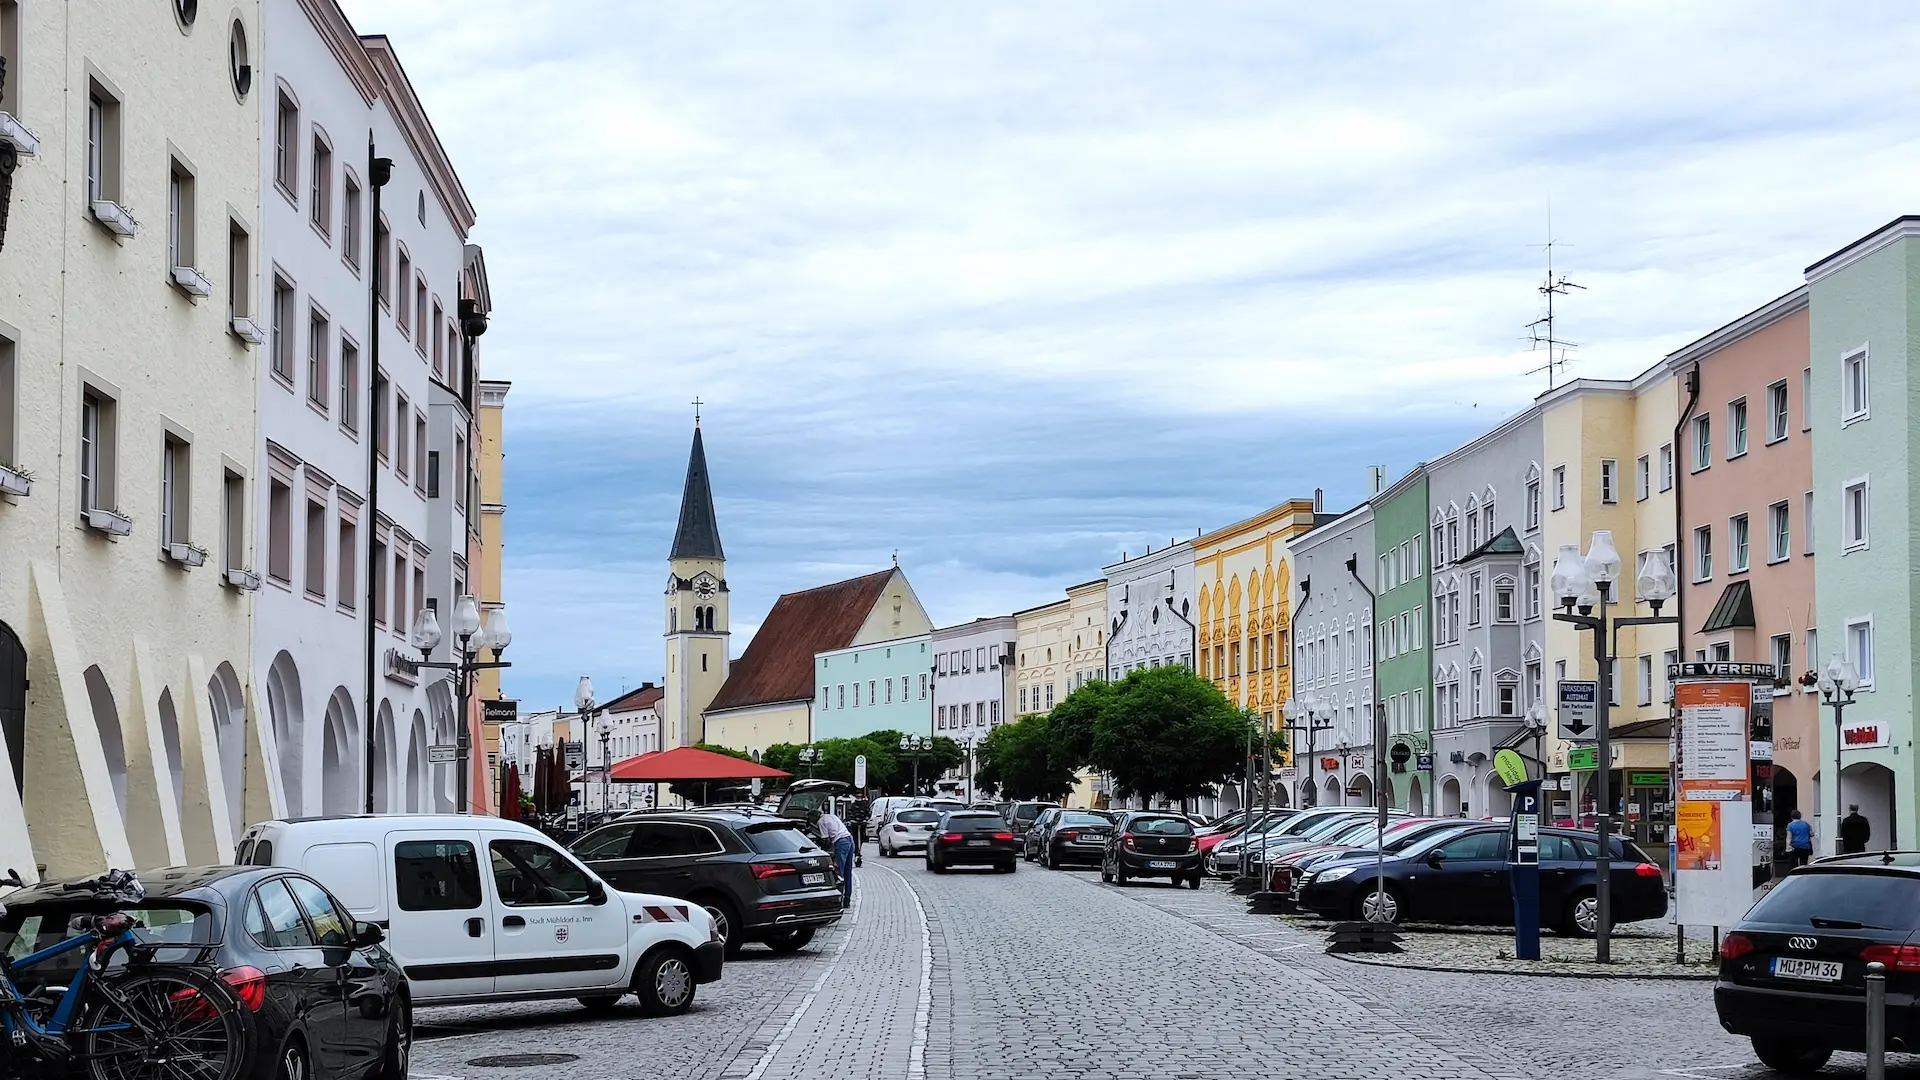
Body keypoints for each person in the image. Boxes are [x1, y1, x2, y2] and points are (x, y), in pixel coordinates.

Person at [817, 808, 855, 905]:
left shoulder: (820, 822)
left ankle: (838, 900)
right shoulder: (831, 816)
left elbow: (827, 840)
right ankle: (847, 899)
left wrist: (823, 849)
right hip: (849, 839)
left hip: (841, 843)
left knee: (839, 873)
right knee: (847, 872)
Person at [847, 793, 873, 868]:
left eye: (860, 797)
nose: (859, 798)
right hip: (854, 824)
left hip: (862, 824)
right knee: (854, 838)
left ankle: (858, 852)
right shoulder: (852, 805)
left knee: (862, 837)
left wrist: (866, 819)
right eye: (857, 797)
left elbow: (868, 813)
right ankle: (856, 852)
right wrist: (851, 820)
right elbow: (849, 813)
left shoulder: (865, 805)